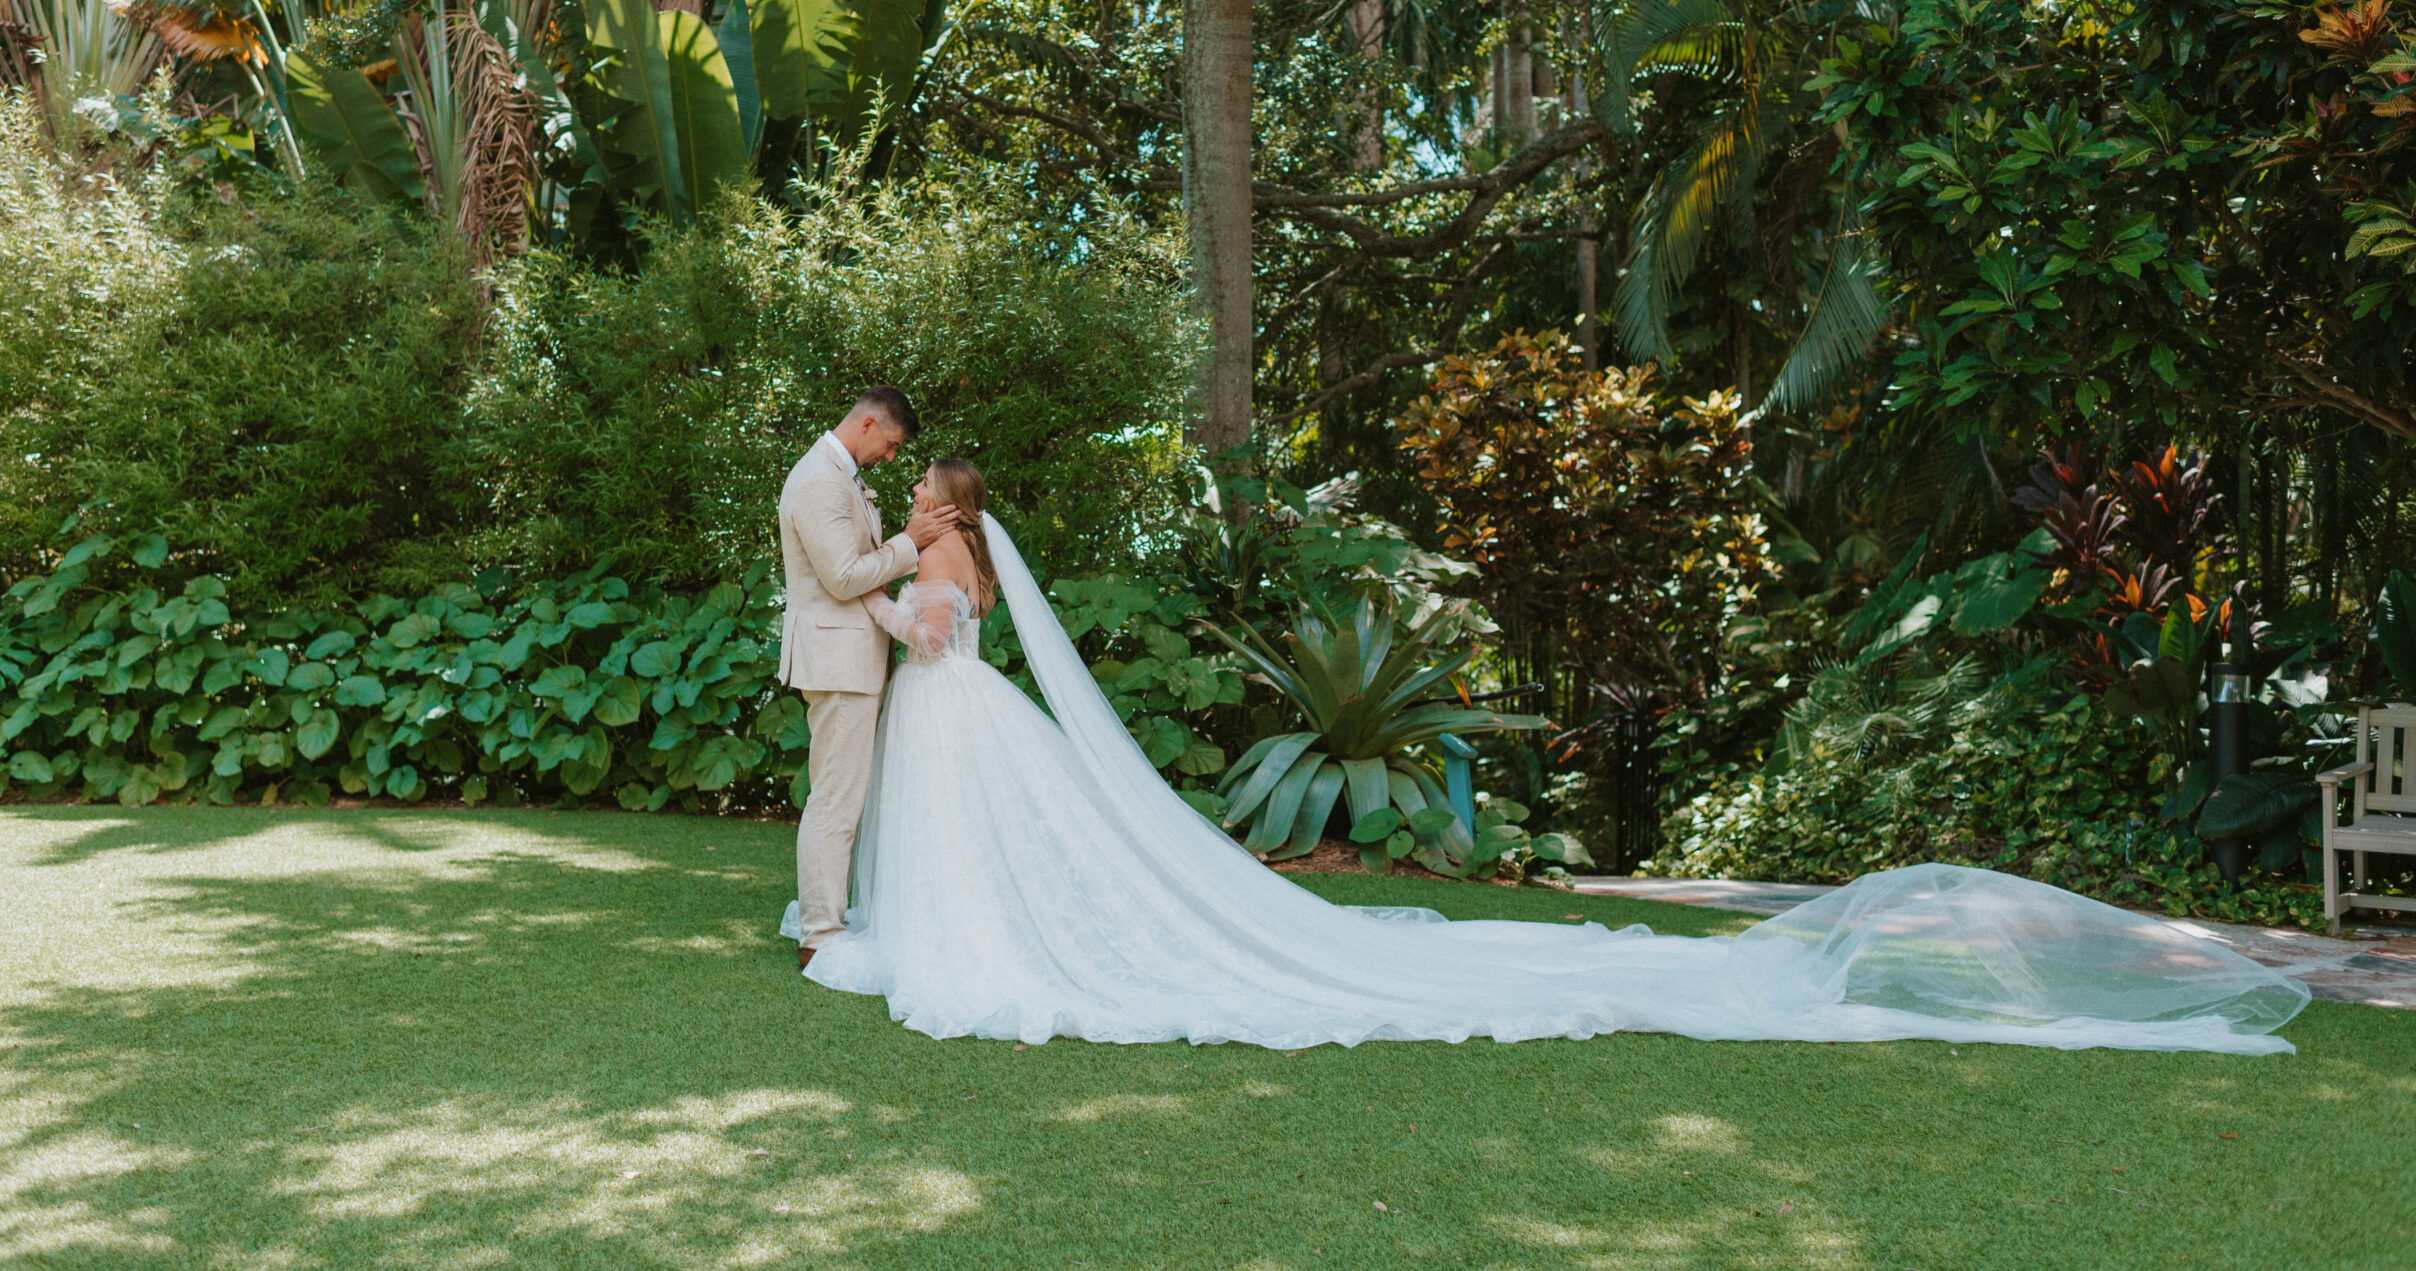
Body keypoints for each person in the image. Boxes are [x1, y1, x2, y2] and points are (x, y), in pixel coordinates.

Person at [786, 457, 2312, 1056]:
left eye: (920, 485)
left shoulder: (942, 557)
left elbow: (938, 635)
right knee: (987, 851)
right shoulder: (960, 549)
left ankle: (925, 942)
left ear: (944, 505)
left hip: (960, 715)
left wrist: (898, 605)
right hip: (970, 722)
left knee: (991, 869)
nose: (909, 492)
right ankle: (894, 924)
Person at [773, 388, 958, 968]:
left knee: (842, 795)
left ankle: (825, 917)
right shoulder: (821, 480)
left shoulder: (839, 475)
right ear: (870, 423)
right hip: (838, 662)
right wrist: (912, 543)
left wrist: (903, 533)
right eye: (892, 445)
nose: (892, 458)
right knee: (836, 798)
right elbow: (845, 577)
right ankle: (820, 935)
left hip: (850, 658)